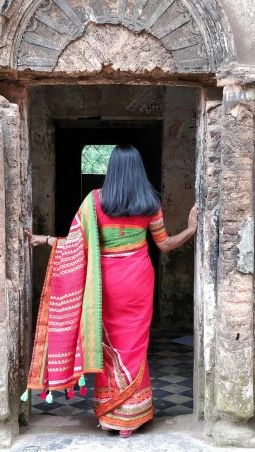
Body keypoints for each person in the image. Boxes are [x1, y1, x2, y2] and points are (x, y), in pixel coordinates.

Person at [24, 144, 197, 438]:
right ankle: (131, 418)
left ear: (112, 169)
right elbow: (165, 245)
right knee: (134, 345)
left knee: (110, 346)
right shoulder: (150, 203)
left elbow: (76, 244)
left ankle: (110, 417)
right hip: (139, 282)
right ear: (138, 169)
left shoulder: (95, 202)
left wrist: (44, 239)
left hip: (107, 284)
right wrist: (191, 229)